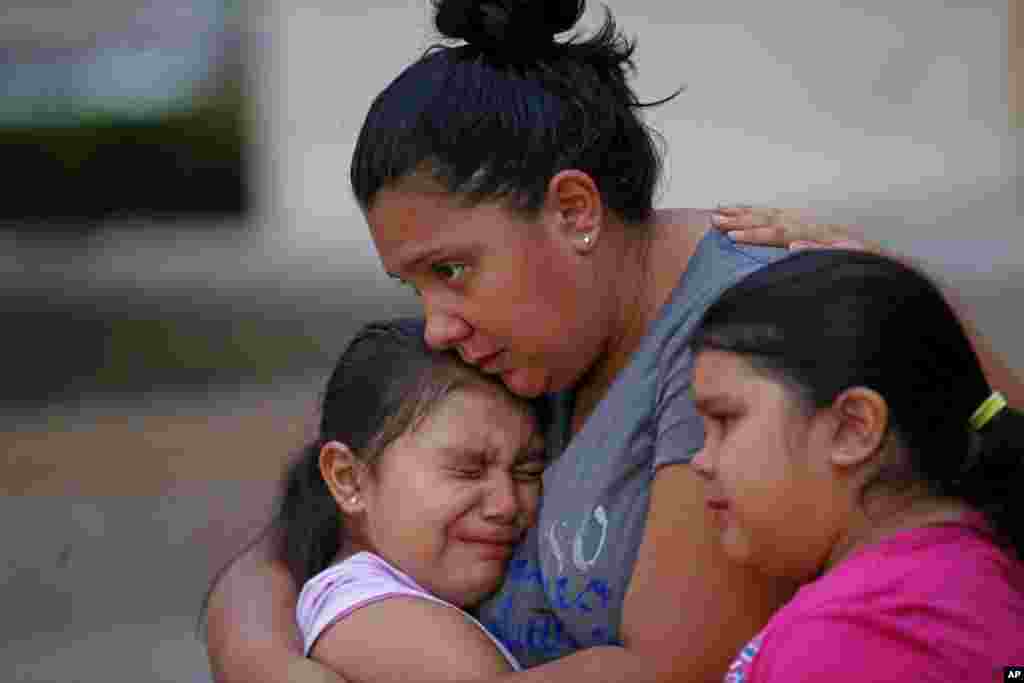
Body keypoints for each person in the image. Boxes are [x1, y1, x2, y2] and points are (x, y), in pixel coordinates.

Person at [204, 2, 1024, 681]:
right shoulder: (531, 333)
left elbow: (663, 674)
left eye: (452, 269)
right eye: (415, 286)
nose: (436, 323)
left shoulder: (733, 338)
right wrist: (263, 652)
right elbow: (307, 519)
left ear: (574, 212)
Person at [688, 249, 1024, 682]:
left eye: (724, 420)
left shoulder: (859, 639)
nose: (701, 460)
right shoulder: (951, 579)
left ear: (852, 428)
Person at [209, 319, 547, 680]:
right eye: (467, 470)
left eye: (527, 472)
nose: (507, 504)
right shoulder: (373, 618)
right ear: (348, 478)